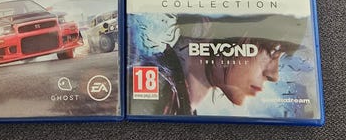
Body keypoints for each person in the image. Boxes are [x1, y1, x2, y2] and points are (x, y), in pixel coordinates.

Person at [129, 13, 307, 116]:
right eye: (272, 50)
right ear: (202, 28)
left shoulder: (177, 102)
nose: (274, 75)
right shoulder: (151, 86)